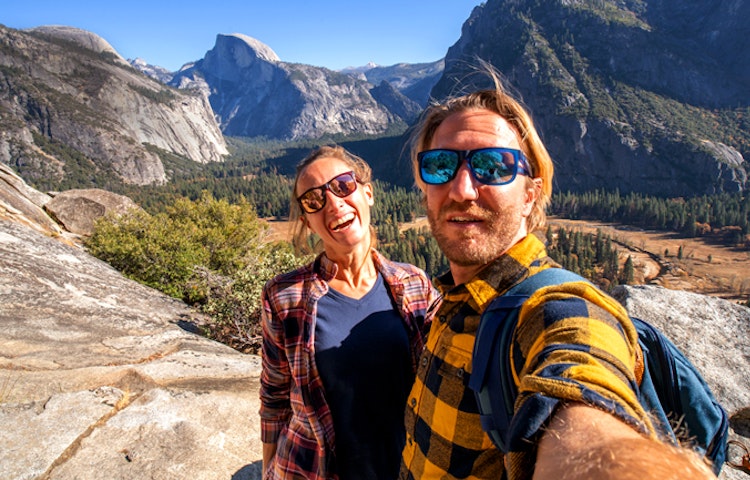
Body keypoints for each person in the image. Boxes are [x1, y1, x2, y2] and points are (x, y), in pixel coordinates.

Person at [399, 67, 716, 479]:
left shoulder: (553, 310)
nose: (461, 189)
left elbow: (583, 378)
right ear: (424, 185)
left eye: (493, 167)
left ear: (530, 195)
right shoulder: (451, 299)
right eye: (440, 165)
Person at [260, 145, 437, 480]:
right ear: (307, 222)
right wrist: (269, 470)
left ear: (367, 193)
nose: (334, 203)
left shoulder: (414, 285)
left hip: (404, 468)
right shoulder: (285, 297)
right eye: (314, 200)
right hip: (313, 470)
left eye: (343, 185)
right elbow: (274, 398)